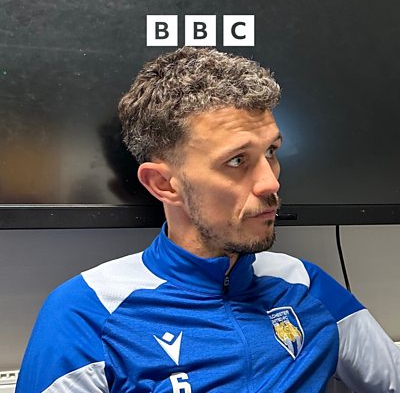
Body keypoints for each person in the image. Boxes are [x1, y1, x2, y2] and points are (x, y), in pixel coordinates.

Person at [17, 47, 399, 392]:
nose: (271, 182)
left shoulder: (305, 284)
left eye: (271, 151)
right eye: (237, 160)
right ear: (164, 183)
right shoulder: (88, 312)